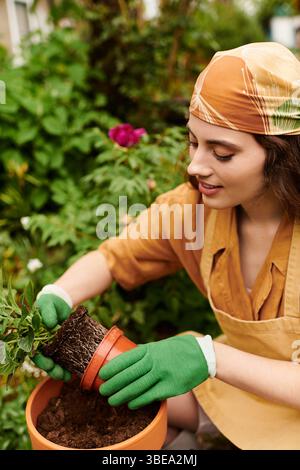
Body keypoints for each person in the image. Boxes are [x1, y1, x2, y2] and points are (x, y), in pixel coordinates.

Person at [33, 42, 300, 450]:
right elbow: (112, 258)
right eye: (194, 142)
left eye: (222, 153)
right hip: (244, 388)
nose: (195, 166)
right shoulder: (194, 212)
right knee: (127, 389)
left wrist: (210, 357)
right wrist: (60, 292)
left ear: (280, 156)